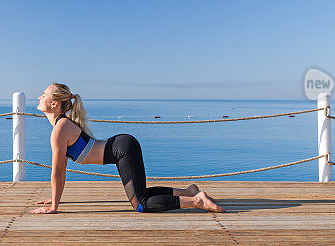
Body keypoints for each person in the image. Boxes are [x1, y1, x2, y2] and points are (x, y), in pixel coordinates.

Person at [31, 83, 225, 214]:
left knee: (140, 204)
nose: (39, 97)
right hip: (123, 146)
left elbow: (56, 172)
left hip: (122, 149)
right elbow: (61, 172)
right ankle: (189, 191)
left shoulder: (60, 129)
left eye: (44, 95)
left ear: (54, 103)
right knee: (142, 194)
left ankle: (197, 201)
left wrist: (54, 206)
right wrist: (54, 200)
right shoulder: (62, 126)